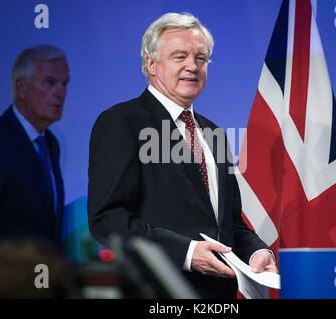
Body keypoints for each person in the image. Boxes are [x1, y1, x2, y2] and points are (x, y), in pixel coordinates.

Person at [87, 13, 277, 298]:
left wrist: (255, 252)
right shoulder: (122, 122)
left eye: (201, 58)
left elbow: (229, 225)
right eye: (180, 57)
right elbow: (108, 219)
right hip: (158, 293)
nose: (193, 66)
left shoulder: (214, 133)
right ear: (152, 64)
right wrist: (188, 253)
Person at [0, 45, 69, 279]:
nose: (61, 92)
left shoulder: (50, 143)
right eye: (50, 82)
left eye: (65, 84)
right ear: (21, 87)